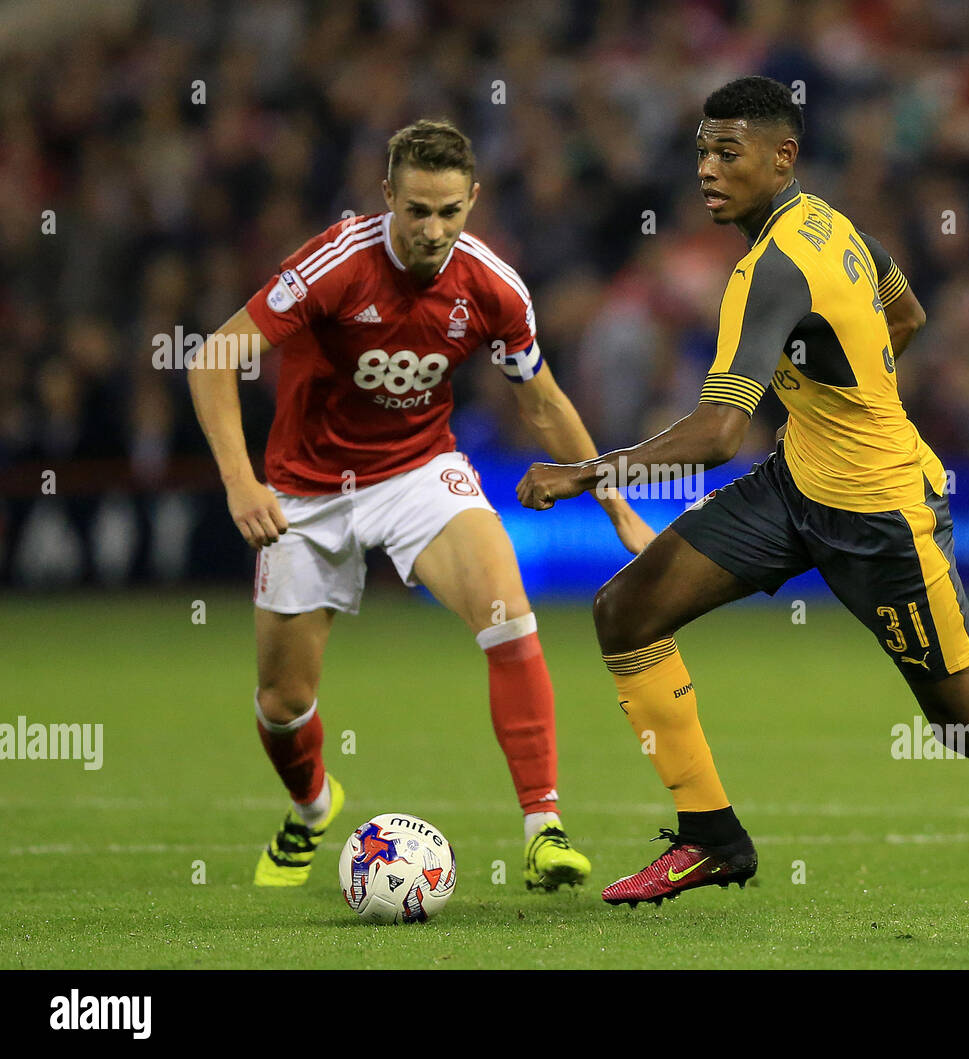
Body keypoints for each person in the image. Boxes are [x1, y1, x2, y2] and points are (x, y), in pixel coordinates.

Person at [517, 77, 969, 916]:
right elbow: (904, 311)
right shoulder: (830, 224)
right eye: (702, 149)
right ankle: (711, 835)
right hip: (798, 481)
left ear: (783, 157)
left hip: (884, 515)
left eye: (728, 152)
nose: (707, 167)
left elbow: (716, 435)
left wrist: (583, 472)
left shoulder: (771, 269)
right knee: (626, 609)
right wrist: (841, 392)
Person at [189, 118, 654, 891]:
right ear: (387, 199)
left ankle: (545, 827)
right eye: (416, 211)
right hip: (305, 489)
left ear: (472, 199)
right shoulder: (332, 265)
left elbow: (542, 404)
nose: (433, 229)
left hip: (417, 471)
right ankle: (311, 807)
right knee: (282, 700)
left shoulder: (494, 286)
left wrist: (612, 500)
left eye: (449, 211)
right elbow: (213, 359)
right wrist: (243, 482)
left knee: (509, 610)